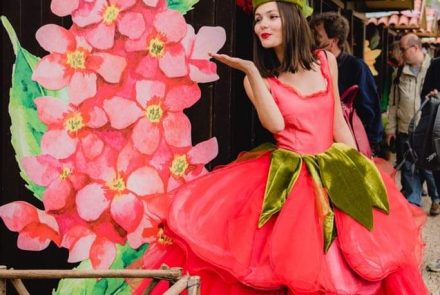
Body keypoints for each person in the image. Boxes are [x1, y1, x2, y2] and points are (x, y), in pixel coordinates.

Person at [136, 1, 428, 294]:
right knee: (296, 261)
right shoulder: (261, 81)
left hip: (335, 169)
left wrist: (360, 168)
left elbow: (337, 121)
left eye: (272, 17)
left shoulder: (326, 61)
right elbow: (275, 125)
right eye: (259, 19)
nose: (262, 25)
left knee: (356, 258)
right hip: (290, 179)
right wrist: (250, 71)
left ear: (291, 19)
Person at [309, 12, 384, 154]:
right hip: (319, 144)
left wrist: (369, 145)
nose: (313, 42)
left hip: (350, 145)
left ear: (334, 41)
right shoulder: (312, 67)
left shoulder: (357, 67)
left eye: (318, 37)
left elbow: (370, 109)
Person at [386, 33, 440, 212]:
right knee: (408, 167)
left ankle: (436, 199)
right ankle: (413, 204)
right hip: (405, 127)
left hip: (427, 130)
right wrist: (390, 129)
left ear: (415, 48)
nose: (401, 53)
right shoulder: (400, 71)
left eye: (403, 49)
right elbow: (393, 103)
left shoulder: (433, 67)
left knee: (428, 167)